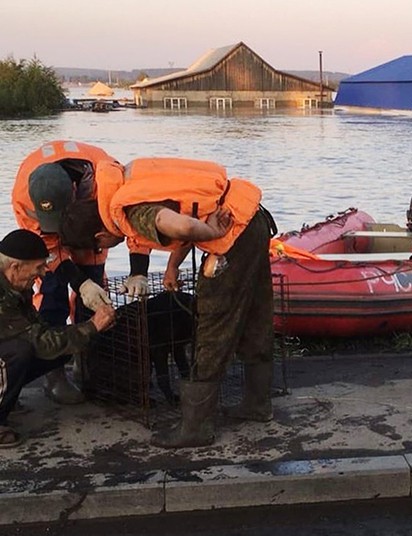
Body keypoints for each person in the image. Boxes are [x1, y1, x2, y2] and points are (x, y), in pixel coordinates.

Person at [58, 157, 277, 448]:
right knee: (255, 314)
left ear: (100, 236)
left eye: (99, 247)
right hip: (251, 215)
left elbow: (182, 225)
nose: (104, 250)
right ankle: (257, 404)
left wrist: (212, 232)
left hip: (232, 233)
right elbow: (189, 206)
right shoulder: (129, 182)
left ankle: (196, 427)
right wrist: (173, 266)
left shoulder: (133, 212)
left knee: (213, 323)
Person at [11, 141, 151, 404]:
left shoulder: (108, 180)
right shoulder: (24, 194)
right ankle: (54, 375)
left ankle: (88, 362)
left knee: (95, 294)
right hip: (46, 237)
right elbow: (48, 250)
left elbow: (135, 222)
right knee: (52, 293)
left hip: (90, 232)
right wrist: (79, 283)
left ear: (75, 190)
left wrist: (138, 271)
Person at [0, 229, 116, 448]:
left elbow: (38, 329)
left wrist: (83, 332)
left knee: (61, 350)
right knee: (19, 351)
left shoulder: (14, 282)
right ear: (15, 266)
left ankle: (6, 396)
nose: (44, 273)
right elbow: (39, 343)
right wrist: (92, 326)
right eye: (39, 267)